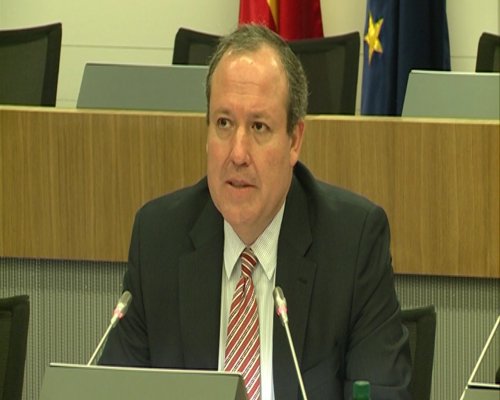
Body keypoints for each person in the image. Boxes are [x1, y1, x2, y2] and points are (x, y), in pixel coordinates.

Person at [100, 24, 412, 399]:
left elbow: (379, 392)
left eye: (259, 127)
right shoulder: (159, 239)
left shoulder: (352, 243)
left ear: (294, 140)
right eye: (224, 123)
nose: (237, 153)